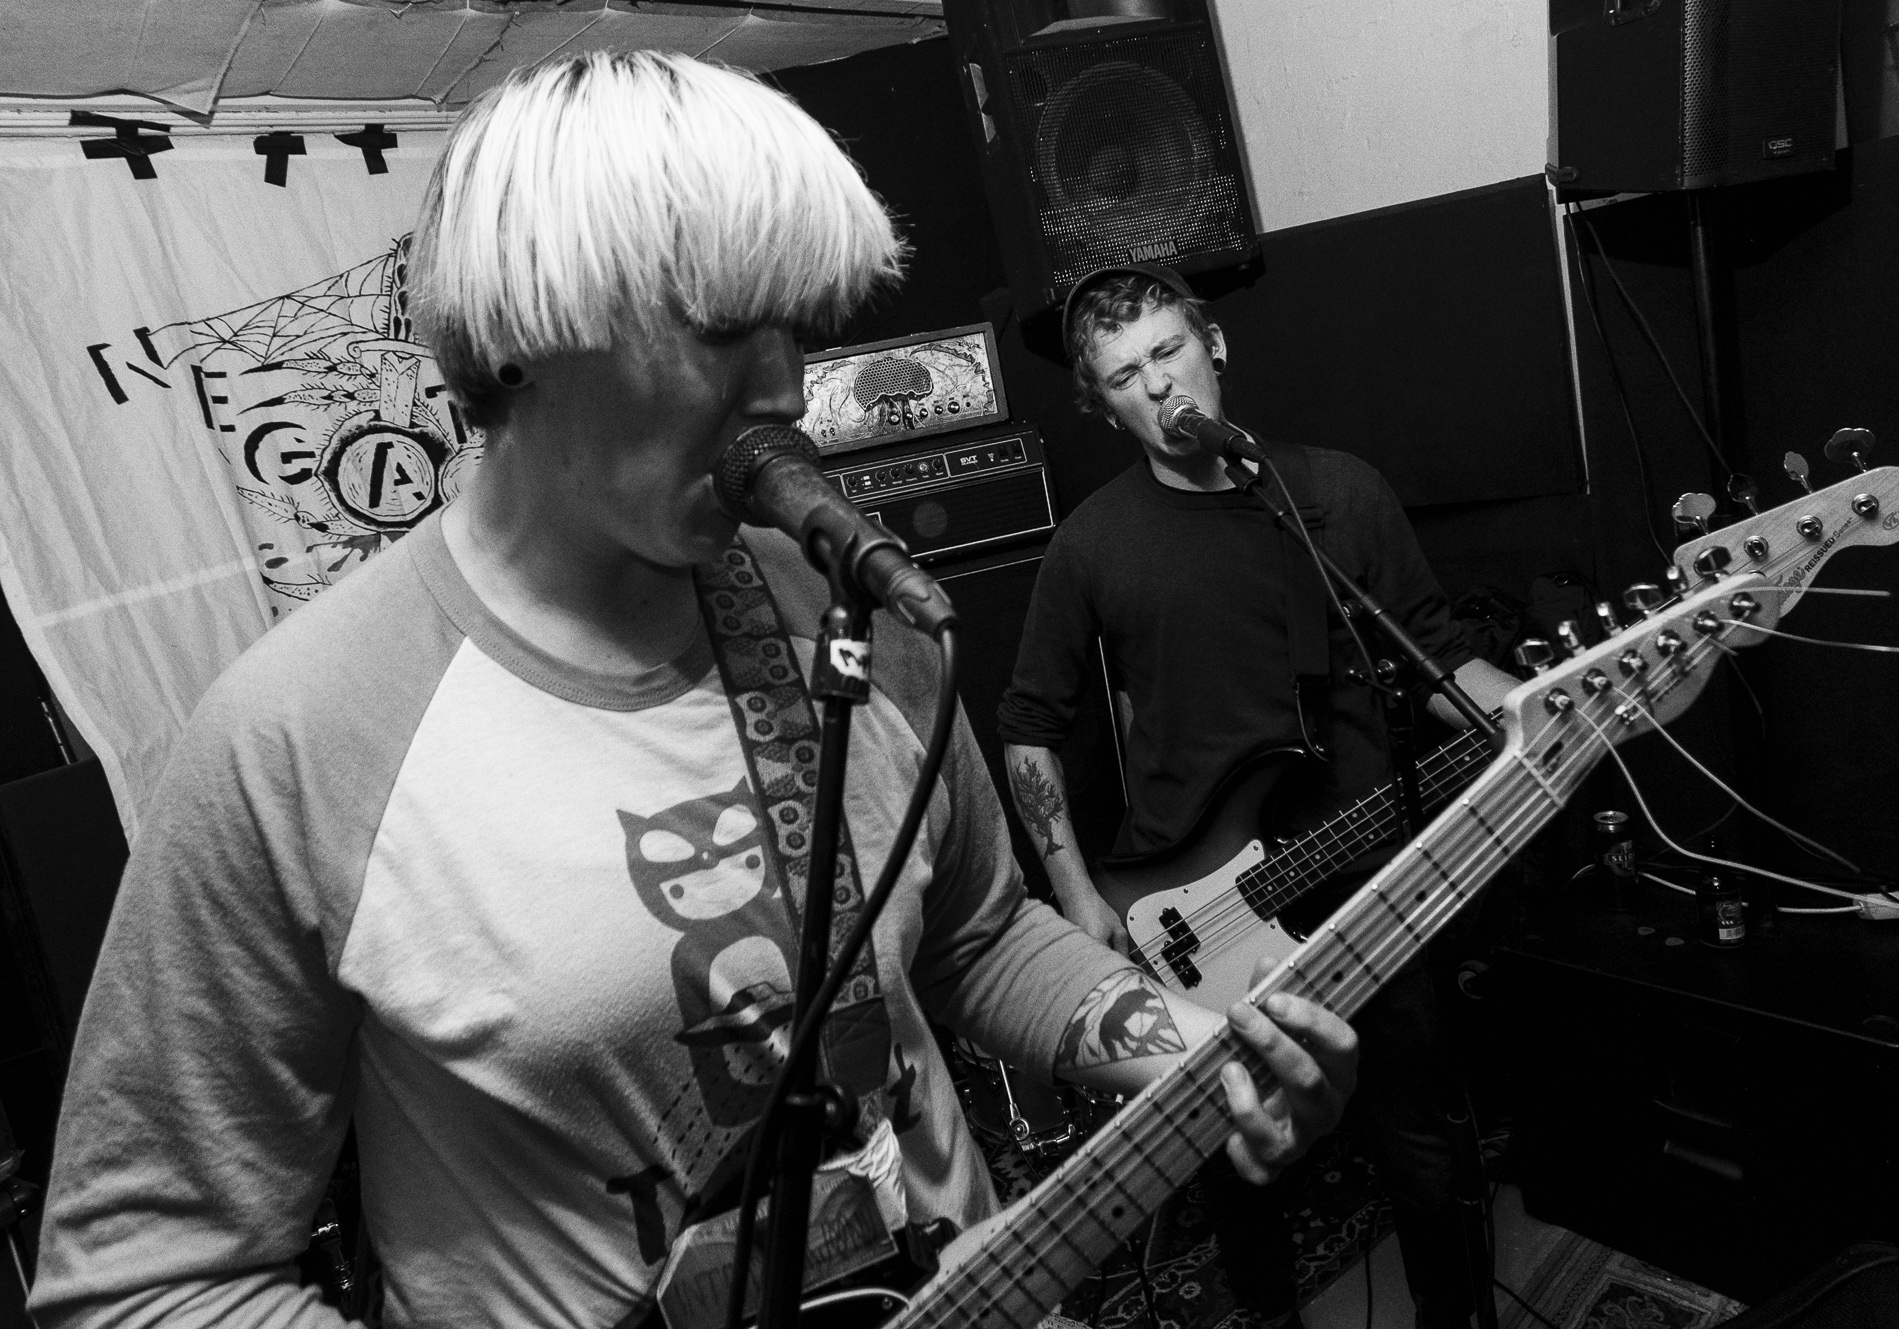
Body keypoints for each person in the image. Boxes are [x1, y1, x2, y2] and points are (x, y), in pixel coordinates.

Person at [27, 54, 1364, 1329]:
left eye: (799, 328)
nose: (784, 389)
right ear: (527, 329)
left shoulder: (857, 617)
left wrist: (1195, 1049)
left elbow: (973, 937)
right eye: (723, 327)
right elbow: (147, 1282)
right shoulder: (294, 739)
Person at [996, 264, 1520, 1329]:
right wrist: (1075, 892)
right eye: (1124, 375)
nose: (1157, 384)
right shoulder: (1092, 541)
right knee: (1238, 1159)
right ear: (1101, 405)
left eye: (1167, 351)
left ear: (1214, 347)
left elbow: (1433, 654)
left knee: (1423, 1146)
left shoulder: (1337, 493)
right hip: (1196, 906)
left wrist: (1534, 710)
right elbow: (1028, 727)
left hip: (1369, 880)